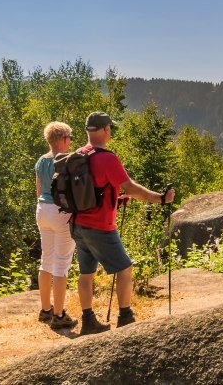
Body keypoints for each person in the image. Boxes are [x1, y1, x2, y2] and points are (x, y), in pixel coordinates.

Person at [72, 111, 175, 335]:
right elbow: (132, 188)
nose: (110, 131)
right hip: (100, 227)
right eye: (109, 128)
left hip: (78, 225)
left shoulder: (79, 155)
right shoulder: (107, 158)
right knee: (125, 269)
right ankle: (126, 317)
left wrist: (114, 200)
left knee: (86, 273)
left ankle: (88, 321)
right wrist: (160, 198)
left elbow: (91, 191)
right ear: (106, 130)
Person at [35, 122, 78, 329]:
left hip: (42, 210)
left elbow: (38, 190)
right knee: (61, 264)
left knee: (46, 260)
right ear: (62, 139)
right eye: (69, 137)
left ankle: (46, 310)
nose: (70, 141)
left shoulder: (41, 161)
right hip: (60, 213)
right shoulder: (66, 160)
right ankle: (59, 316)